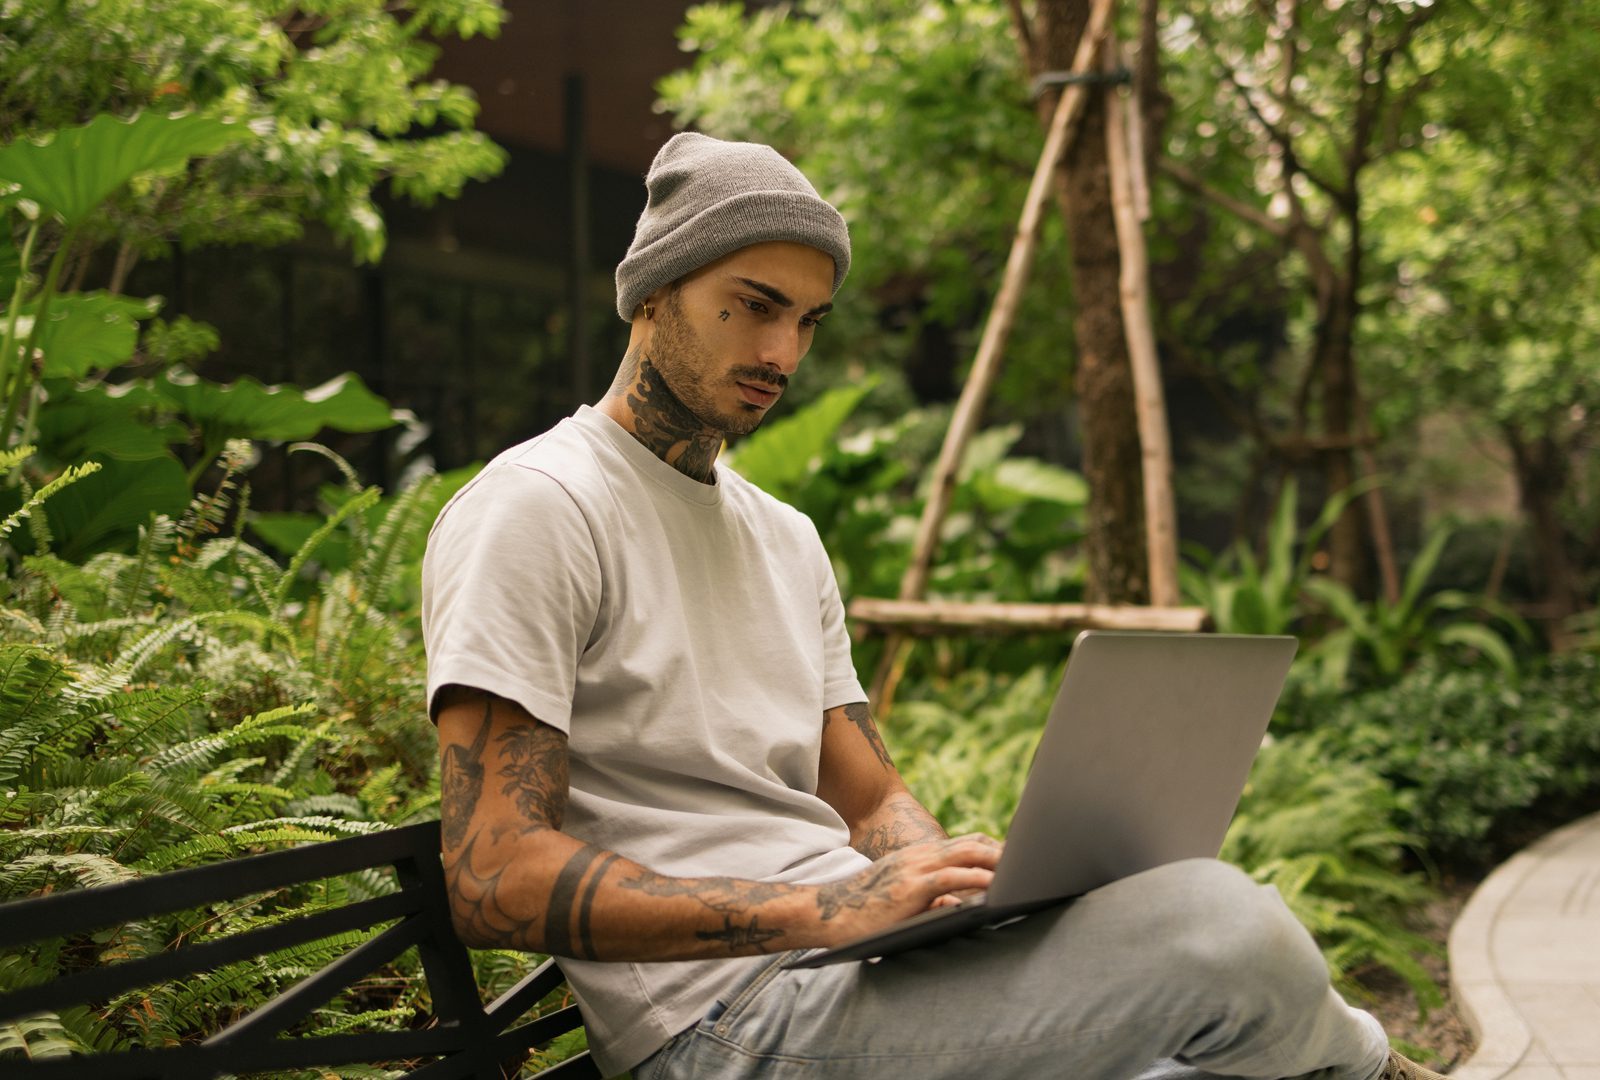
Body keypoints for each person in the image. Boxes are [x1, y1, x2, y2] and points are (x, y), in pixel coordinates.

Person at [421, 132, 1443, 1080]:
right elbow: (490, 874)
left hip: (848, 977)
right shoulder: (541, 508)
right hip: (721, 1021)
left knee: (1209, 1051)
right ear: (654, 292)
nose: (783, 354)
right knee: (1225, 929)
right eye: (755, 306)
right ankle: (1377, 1069)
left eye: (807, 322)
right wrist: (819, 908)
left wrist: (955, 889)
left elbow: (869, 802)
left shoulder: (784, 537)